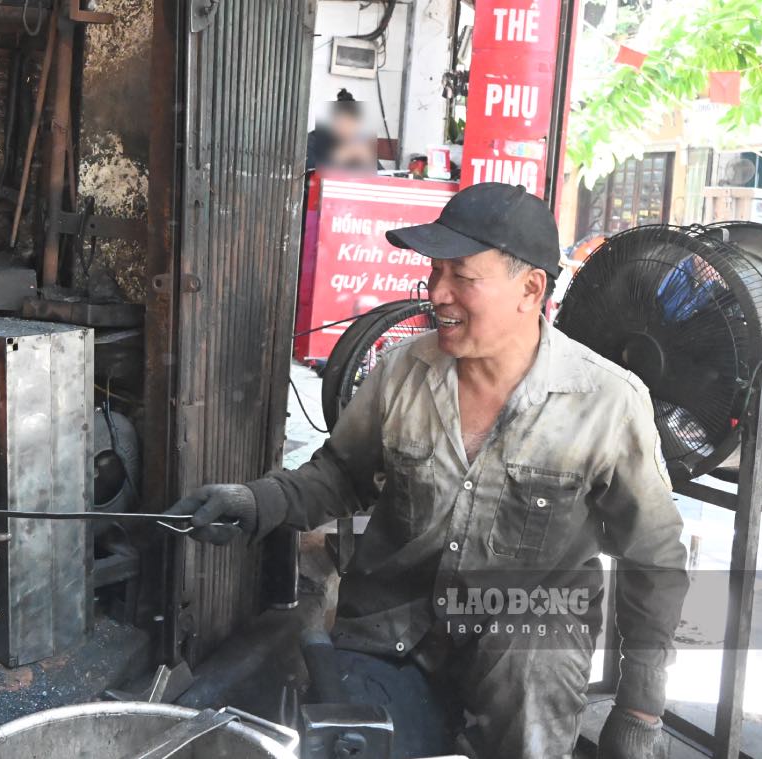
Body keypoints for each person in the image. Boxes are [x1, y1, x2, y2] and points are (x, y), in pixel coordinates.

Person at [167, 183, 689, 758]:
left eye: (462, 276)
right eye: (435, 272)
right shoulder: (401, 373)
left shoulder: (607, 403)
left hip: (524, 649)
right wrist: (256, 502)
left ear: (530, 289)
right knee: (348, 744)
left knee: (530, 669)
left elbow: (656, 559)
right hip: (393, 631)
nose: (438, 294)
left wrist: (640, 710)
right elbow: (339, 475)